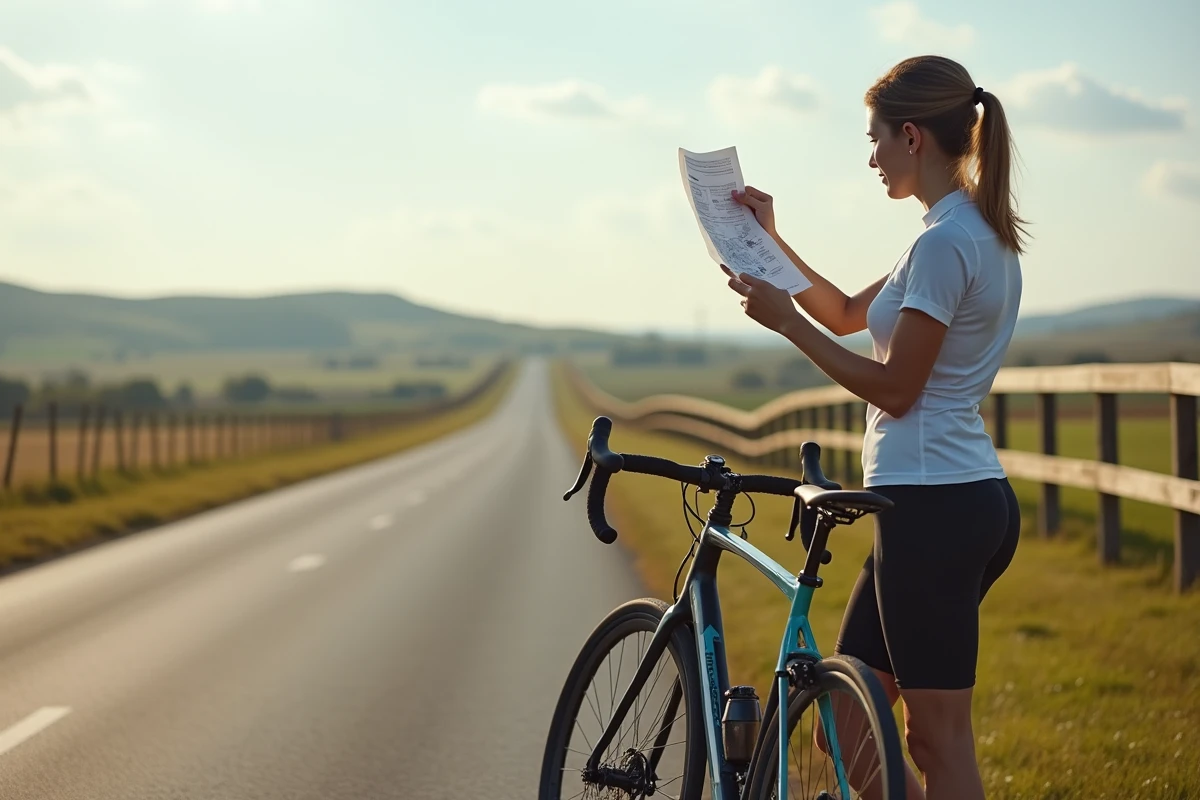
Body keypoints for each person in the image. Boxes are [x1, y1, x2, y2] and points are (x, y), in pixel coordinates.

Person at [721, 54, 1026, 800]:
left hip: (936, 508)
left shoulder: (945, 244)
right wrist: (771, 238)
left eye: (876, 138)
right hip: (938, 503)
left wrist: (787, 327)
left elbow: (895, 386)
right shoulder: (953, 231)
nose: (871, 156)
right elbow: (848, 315)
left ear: (913, 137)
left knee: (935, 741)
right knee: (847, 726)